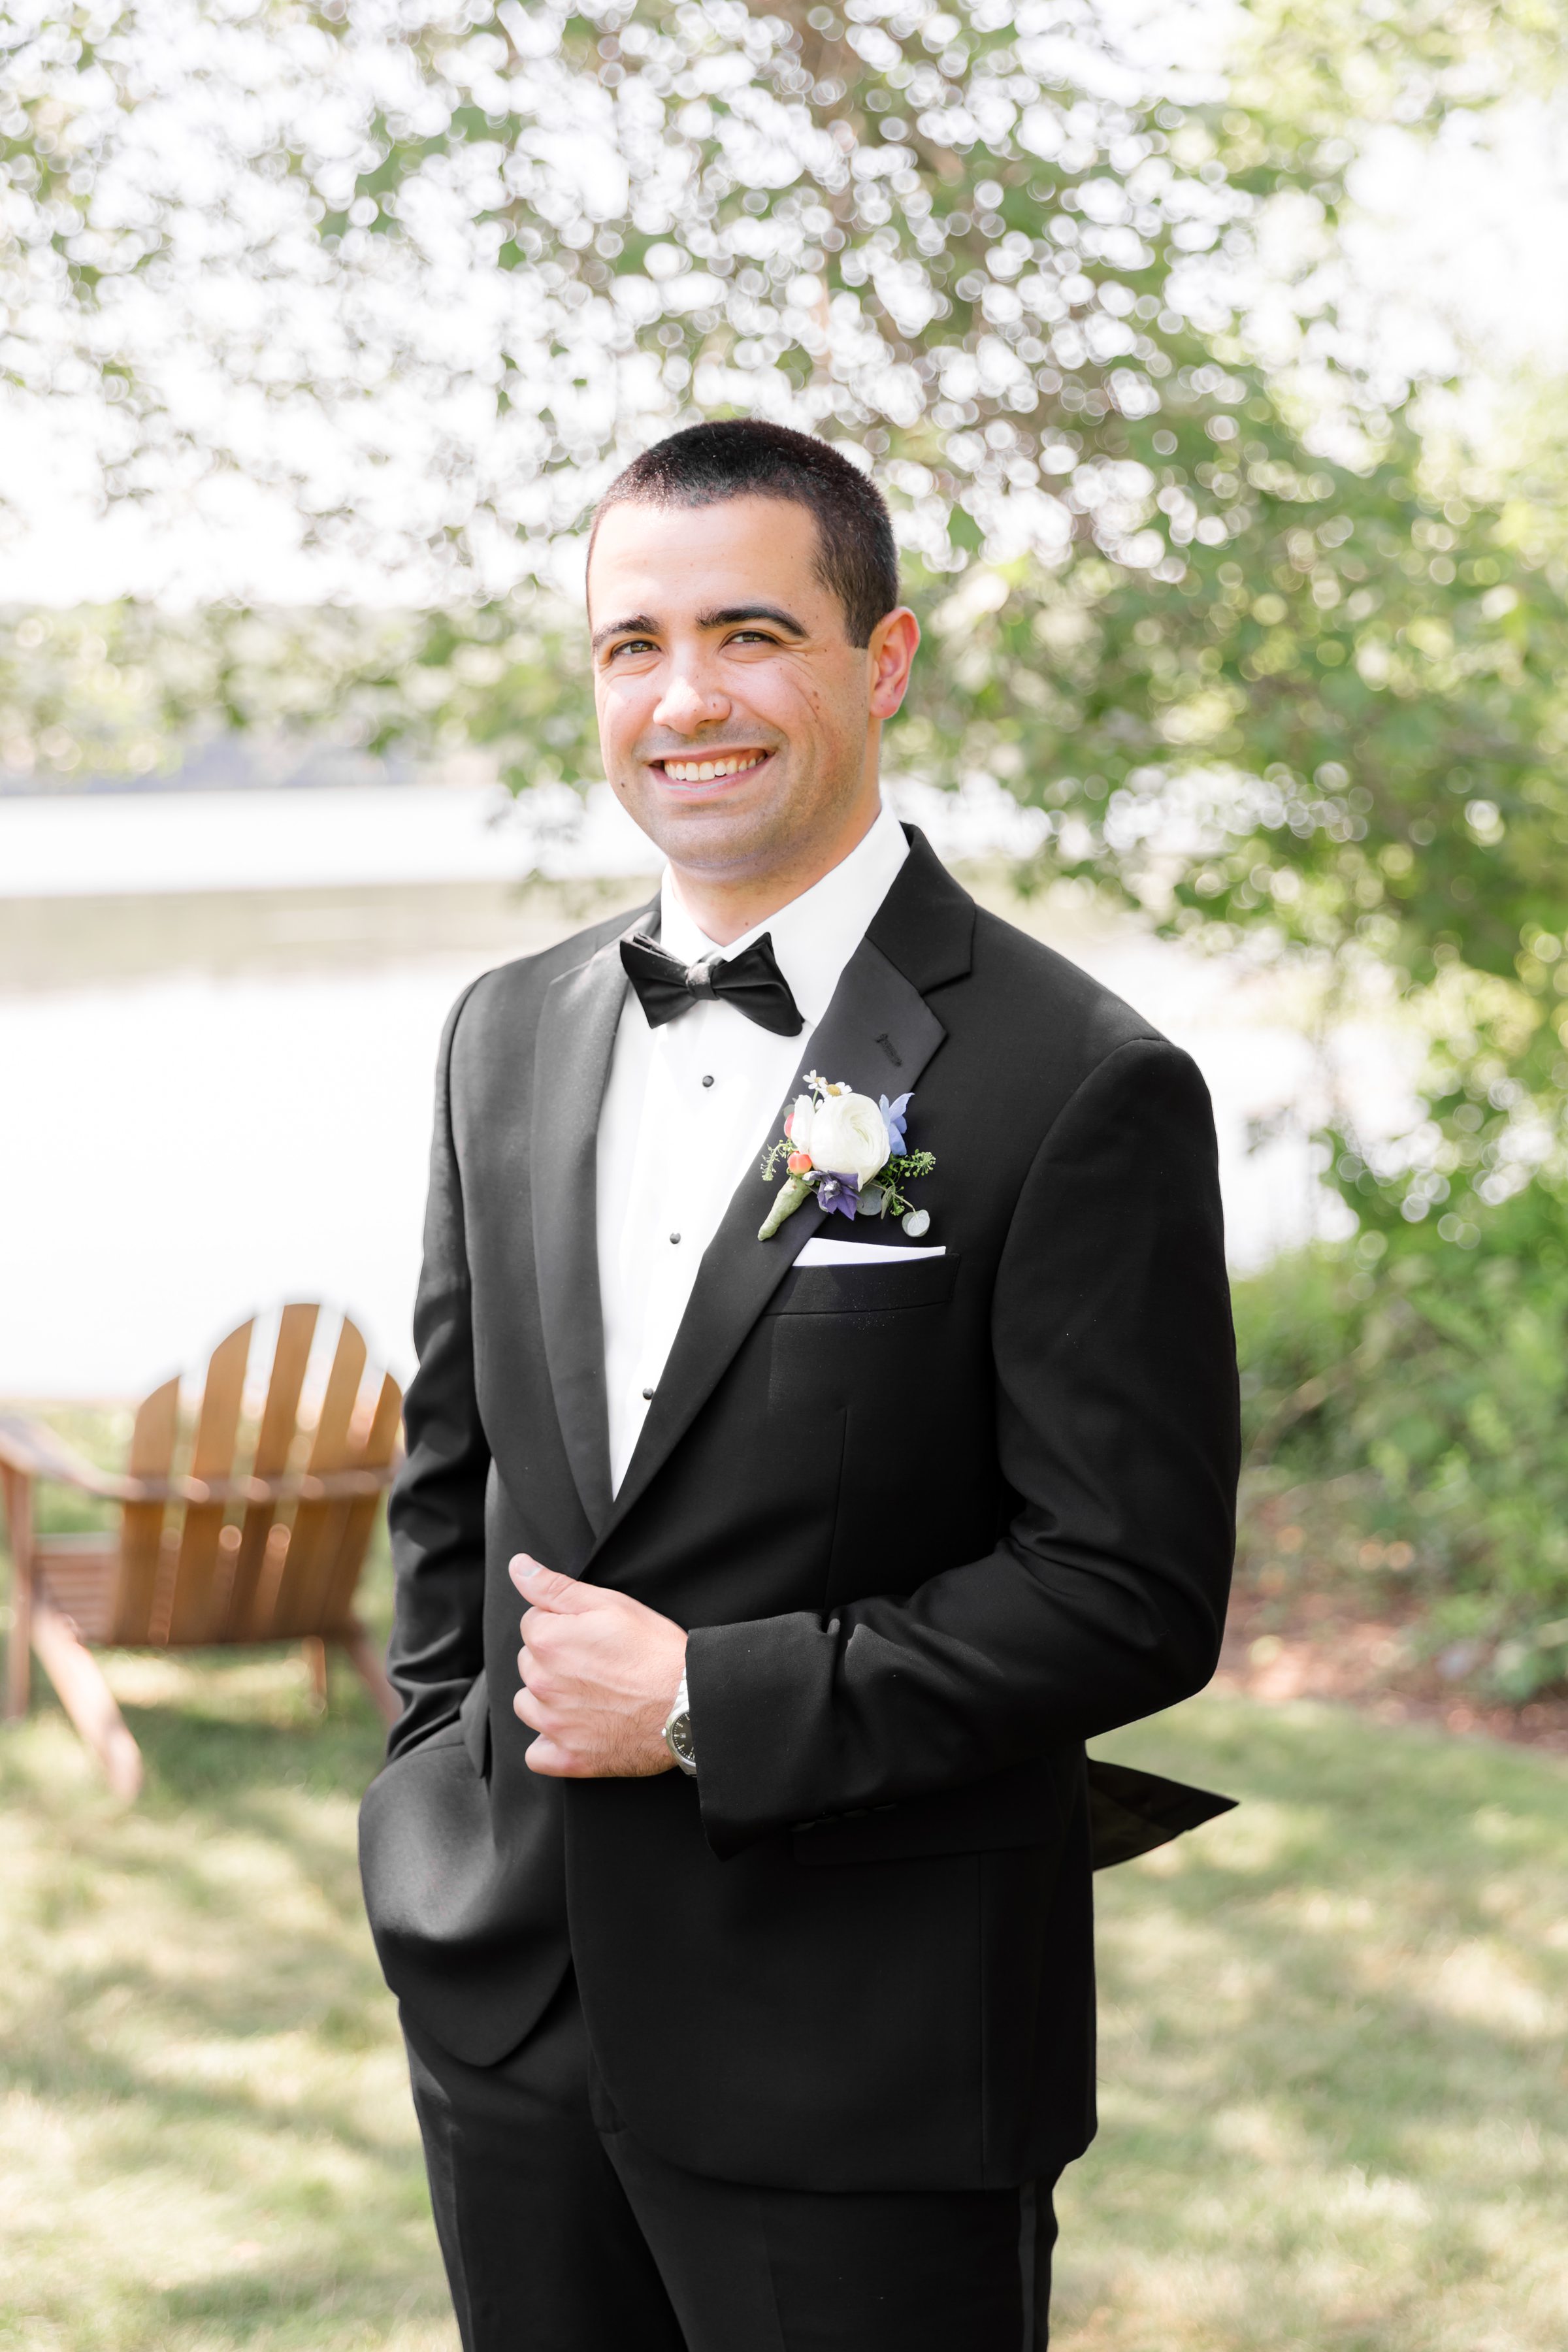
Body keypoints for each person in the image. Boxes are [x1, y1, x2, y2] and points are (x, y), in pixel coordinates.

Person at [360, 417, 1239, 2351]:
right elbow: (452, 1476)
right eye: (634, 645)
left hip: (871, 2054)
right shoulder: (503, 1033)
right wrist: (431, 1796)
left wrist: (704, 1702)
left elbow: (1128, 1589)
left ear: (884, 659)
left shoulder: (1079, 1080)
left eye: (750, 634)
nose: (686, 700)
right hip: (510, 2019)